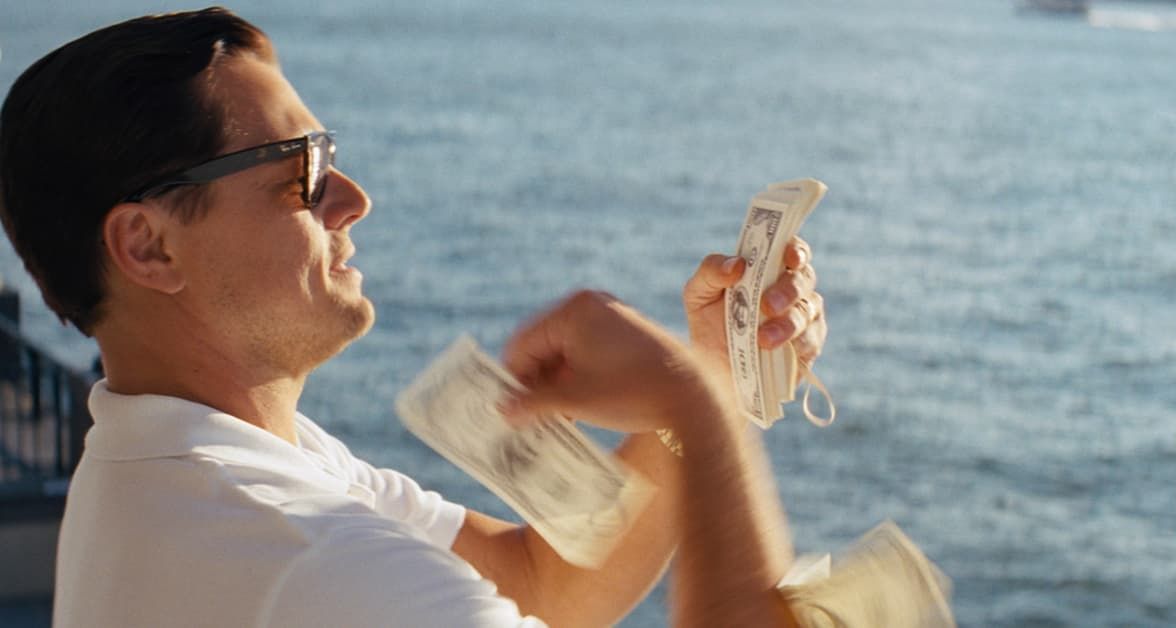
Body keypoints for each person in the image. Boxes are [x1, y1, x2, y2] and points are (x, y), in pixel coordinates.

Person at [0, 8, 828, 628]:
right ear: (148, 246)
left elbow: (543, 582)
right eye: (302, 171)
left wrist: (712, 368)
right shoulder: (313, 563)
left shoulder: (195, 466)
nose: (353, 197)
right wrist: (698, 411)